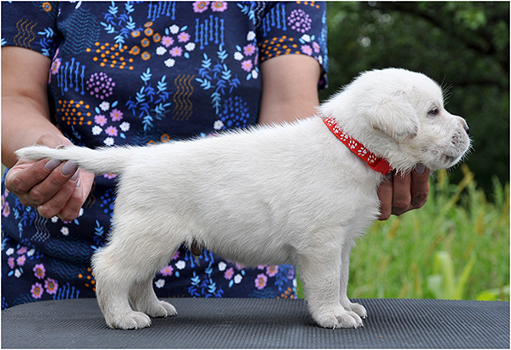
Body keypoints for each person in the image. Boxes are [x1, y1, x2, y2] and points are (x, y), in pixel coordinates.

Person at [1, 1, 429, 310]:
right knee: (143, 245)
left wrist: (346, 169)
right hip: (50, 272)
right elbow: (10, 94)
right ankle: (116, 292)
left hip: (244, 282)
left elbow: (290, 113)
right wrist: (51, 155)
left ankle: (139, 296)